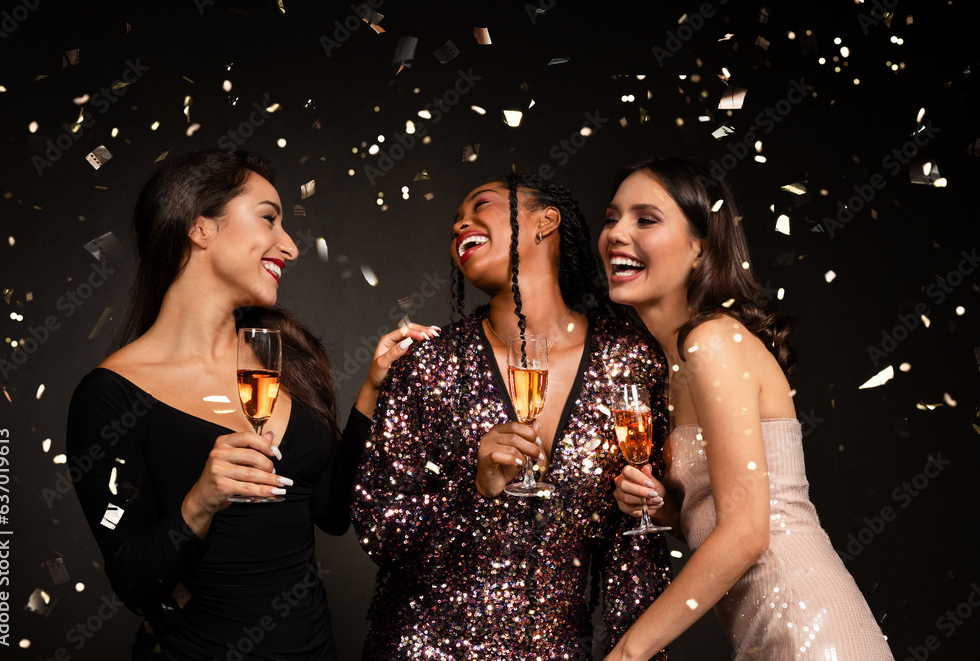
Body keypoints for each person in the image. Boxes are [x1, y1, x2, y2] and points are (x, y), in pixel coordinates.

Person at [66, 149, 435, 660]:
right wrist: (201, 500)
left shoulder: (287, 356)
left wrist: (372, 390)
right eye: (268, 218)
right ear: (200, 228)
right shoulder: (110, 395)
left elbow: (331, 512)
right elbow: (133, 581)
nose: (289, 246)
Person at [351, 173, 672, 660]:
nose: (461, 221)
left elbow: (634, 544)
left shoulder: (628, 360)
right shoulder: (430, 364)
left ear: (545, 221)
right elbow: (380, 530)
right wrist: (473, 490)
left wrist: (635, 653)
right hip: (421, 648)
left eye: (481, 204)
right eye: (456, 218)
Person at [602, 157, 894, 660]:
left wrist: (629, 652)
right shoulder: (672, 364)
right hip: (769, 631)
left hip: (810, 630)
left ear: (701, 248)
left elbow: (747, 531)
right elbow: (722, 511)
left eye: (645, 219)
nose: (615, 234)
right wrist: (662, 503)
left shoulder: (710, 340)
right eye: (611, 218)